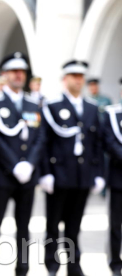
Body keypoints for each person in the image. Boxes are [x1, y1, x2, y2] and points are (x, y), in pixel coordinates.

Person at [40, 60, 105, 276]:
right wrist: (45, 173)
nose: (78, 80)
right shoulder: (53, 106)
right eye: (74, 76)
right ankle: (52, 263)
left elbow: (97, 143)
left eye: (81, 76)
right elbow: (45, 142)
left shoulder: (92, 107)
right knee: (53, 223)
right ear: (65, 79)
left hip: (82, 175)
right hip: (59, 174)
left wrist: (98, 174)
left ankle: (74, 264)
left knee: (74, 223)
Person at [0, 52, 45, 276]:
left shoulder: (33, 102)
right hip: (3, 173)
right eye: (14, 71)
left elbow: (40, 136)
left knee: (24, 224)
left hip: (27, 174)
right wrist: (14, 165)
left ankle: (23, 267)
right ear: (5, 75)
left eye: (22, 72)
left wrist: (29, 164)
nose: (19, 75)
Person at [103, 104, 122, 276]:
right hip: (119, 179)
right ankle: (115, 262)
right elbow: (109, 141)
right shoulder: (113, 113)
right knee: (116, 225)